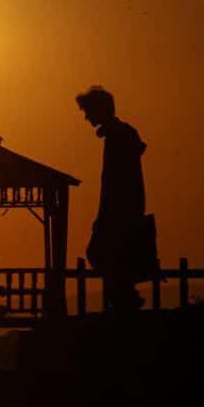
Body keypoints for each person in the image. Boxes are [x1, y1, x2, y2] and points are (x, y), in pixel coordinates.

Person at [76, 85, 154, 312]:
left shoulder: (119, 135)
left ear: (99, 110)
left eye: (88, 112)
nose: (87, 117)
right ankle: (124, 298)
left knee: (102, 253)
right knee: (114, 255)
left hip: (119, 209)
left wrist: (105, 214)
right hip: (124, 207)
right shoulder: (120, 134)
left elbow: (116, 182)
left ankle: (125, 298)